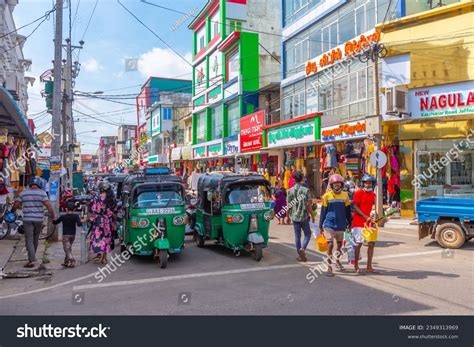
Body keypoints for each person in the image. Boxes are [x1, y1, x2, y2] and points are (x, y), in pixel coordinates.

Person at [13, 177, 56, 268]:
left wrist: (12, 211)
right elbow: (48, 206)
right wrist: (53, 216)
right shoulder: (42, 193)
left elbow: (16, 204)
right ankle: (31, 259)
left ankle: (32, 259)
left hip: (28, 219)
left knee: (29, 239)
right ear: (39, 184)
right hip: (39, 219)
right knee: (35, 239)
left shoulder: (24, 193)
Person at [319, 174, 352, 276]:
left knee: (339, 245)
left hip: (341, 224)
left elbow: (347, 211)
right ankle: (329, 267)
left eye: (338, 183)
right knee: (330, 244)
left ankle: (337, 261)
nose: (337, 185)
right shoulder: (326, 196)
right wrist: (320, 225)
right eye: (335, 184)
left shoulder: (345, 196)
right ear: (331, 185)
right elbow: (323, 212)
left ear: (341, 185)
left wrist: (350, 223)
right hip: (329, 224)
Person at [287, 171, 315, 262]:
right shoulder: (306, 190)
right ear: (302, 179)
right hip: (304, 216)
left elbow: (289, 206)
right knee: (307, 234)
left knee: (297, 236)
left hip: (294, 217)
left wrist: (287, 217)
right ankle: (303, 248)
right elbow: (309, 205)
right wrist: (312, 215)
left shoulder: (289, 191)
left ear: (294, 179)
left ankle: (300, 255)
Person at [352, 175, 377, 274]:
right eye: (366, 182)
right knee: (358, 244)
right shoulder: (358, 193)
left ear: (372, 183)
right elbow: (355, 207)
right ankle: (356, 265)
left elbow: (375, 208)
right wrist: (365, 216)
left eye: (370, 182)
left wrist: (375, 217)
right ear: (363, 183)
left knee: (371, 243)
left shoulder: (374, 195)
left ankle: (369, 266)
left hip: (369, 222)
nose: (368, 184)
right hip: (358, 222)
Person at [89, 180, 115, 265]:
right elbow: (114, 210)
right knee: (107, 239)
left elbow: (93, 210)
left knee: (98, 239)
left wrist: (91, 218)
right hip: (108, 221)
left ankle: (99, 254)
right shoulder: (111, 198)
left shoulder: (97, 198)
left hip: (99, 221)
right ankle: (104, 257)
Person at [53, 201, 82, 268]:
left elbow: (55, 222)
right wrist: (82, 221)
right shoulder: (76, 216)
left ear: (66, 209)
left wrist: (53, 219)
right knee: (68, 248)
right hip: (73, 235)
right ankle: (66, 262)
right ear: (74, 209)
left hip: (65, 235)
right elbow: (79, 224)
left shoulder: (63, 217)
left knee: (66, 248)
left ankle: (72, 260)